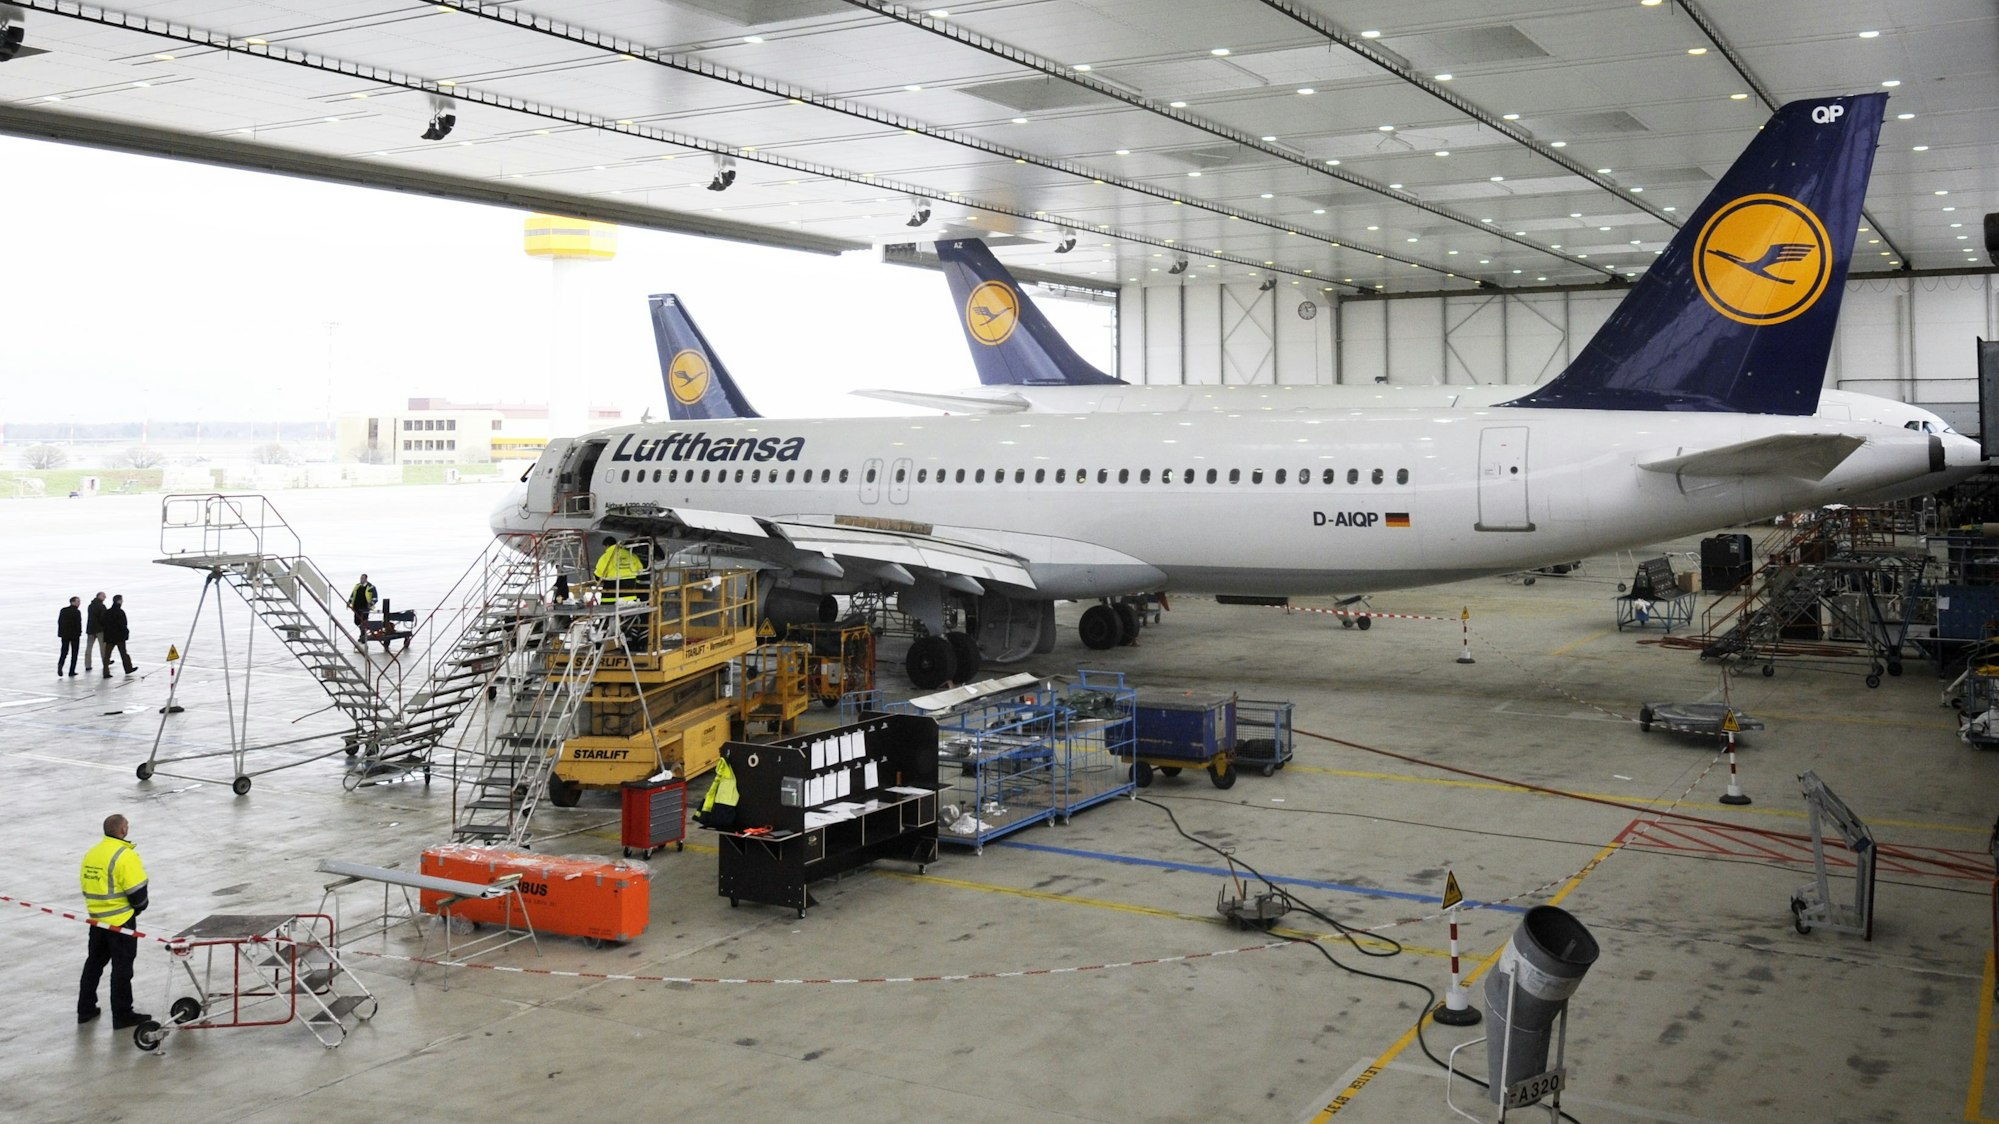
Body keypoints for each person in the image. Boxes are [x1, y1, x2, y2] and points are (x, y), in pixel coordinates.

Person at [78, 813, 151, 1030]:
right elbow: (138, 893)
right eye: (127, 825)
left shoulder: (93, 853)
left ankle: (85, 1009)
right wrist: (136, 911)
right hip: (120, 921)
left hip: (97, 920)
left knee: (94, 963)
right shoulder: (125, 856)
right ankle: (122, 1014)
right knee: (122, 968)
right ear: (122, 831)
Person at [593, 537, 645, 603]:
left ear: (607, 546)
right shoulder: (630, 555)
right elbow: (641, 570)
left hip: (611, 597)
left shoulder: (605, 557)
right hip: (629, 596)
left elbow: (598, 576)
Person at [694, 755, 739, 830]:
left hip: (715, 814)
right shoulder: (729, 779)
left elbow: (711, 794)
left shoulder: (722, 776)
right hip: (723, 814)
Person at [99, 594, 135, 679]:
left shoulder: (107, 612)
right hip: (119, 637)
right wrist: (126, 633)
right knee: (123, 653)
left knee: (107, 655)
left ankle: (106, 672)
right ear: (119, 601)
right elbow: (123, 625)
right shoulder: (120, 612)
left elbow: (102, 622)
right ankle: (128, 668)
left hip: (109, 637)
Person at [348, 574, 378, 651]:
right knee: (357, 621)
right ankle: (362, 632)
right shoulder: (357, 586)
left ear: (366, 579)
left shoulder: (371, 587)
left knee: (364, 621)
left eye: (363, 578)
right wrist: (349, 602)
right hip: (356, 607)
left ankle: (363, 635)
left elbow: (375, 598)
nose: (361, 579)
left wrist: (371, 603)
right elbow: (352, 595)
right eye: (361, 578)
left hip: (365, 608)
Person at [58, 596, 83, 678]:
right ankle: (71, 671)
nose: (79, 603)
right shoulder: (77, 612)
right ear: (73, 602)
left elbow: (60, 622)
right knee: (74, 653)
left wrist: (61, 633)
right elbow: (78, 624)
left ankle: (60, 664)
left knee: (64, 651)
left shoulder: (63, 610)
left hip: (65, 634)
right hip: (74, 635)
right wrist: (79, 633)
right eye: (78, 601)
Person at [83, 591, 106, 673]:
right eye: (103, 596)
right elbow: (103, 618)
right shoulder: (101, 606)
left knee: (89, 647)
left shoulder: (90, 606)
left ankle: (87, 665)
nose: (105, 597)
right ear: (99, 596)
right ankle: (105, 662)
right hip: (99, 629)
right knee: (103, 647)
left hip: (90, 629)